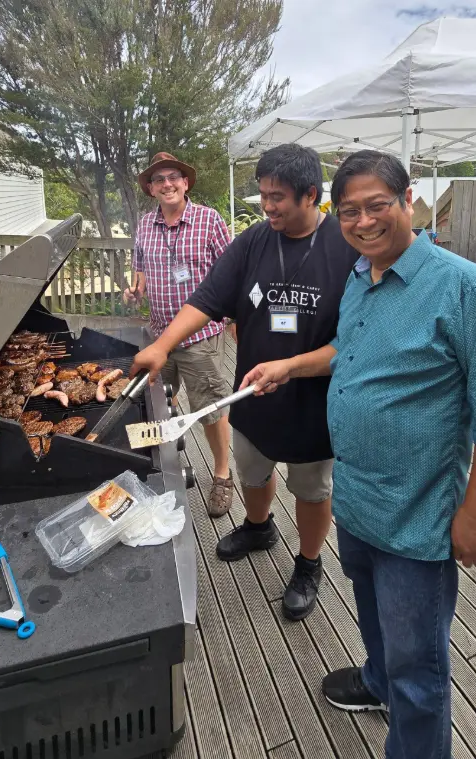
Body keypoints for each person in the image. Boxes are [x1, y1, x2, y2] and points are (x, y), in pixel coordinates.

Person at [240, 150, 476, 758]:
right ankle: (375, 682)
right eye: (350, 211)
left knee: (418, 670)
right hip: (359, 498)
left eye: (378, 206)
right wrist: (290, 365)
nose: (364, 222)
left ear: (409, 200)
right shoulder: (359, 275)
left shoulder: (459, 285)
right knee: (372, 616)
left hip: (418, 517)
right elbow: (347, 348)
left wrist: (471, 514)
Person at [130, 144, 358, 620]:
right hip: (251, 390)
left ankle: (310, 563)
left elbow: (355, 340)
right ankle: (259, 527)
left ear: (311, 195)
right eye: (263, 196)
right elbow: (207, 298)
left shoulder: (345, 246)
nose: (268, 206)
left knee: (312, 487)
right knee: (253, 469)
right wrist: (162, 345)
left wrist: (292, 367)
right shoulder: (254, 241)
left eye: (277, 197)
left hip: (314, 400)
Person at [125, 151, 233, 517]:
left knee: (211, 408)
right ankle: (162, 469)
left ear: (185, 183)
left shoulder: (209, 220)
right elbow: (139, 266)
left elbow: (231, 271)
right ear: (151, 189)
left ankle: (221, 474)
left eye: (173, 177)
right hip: (158, 338)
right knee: (157, 407)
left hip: (200, 338)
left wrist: (235, 318)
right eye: (159, 179)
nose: (167, 184)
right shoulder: (144, 224)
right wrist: (136, 289)